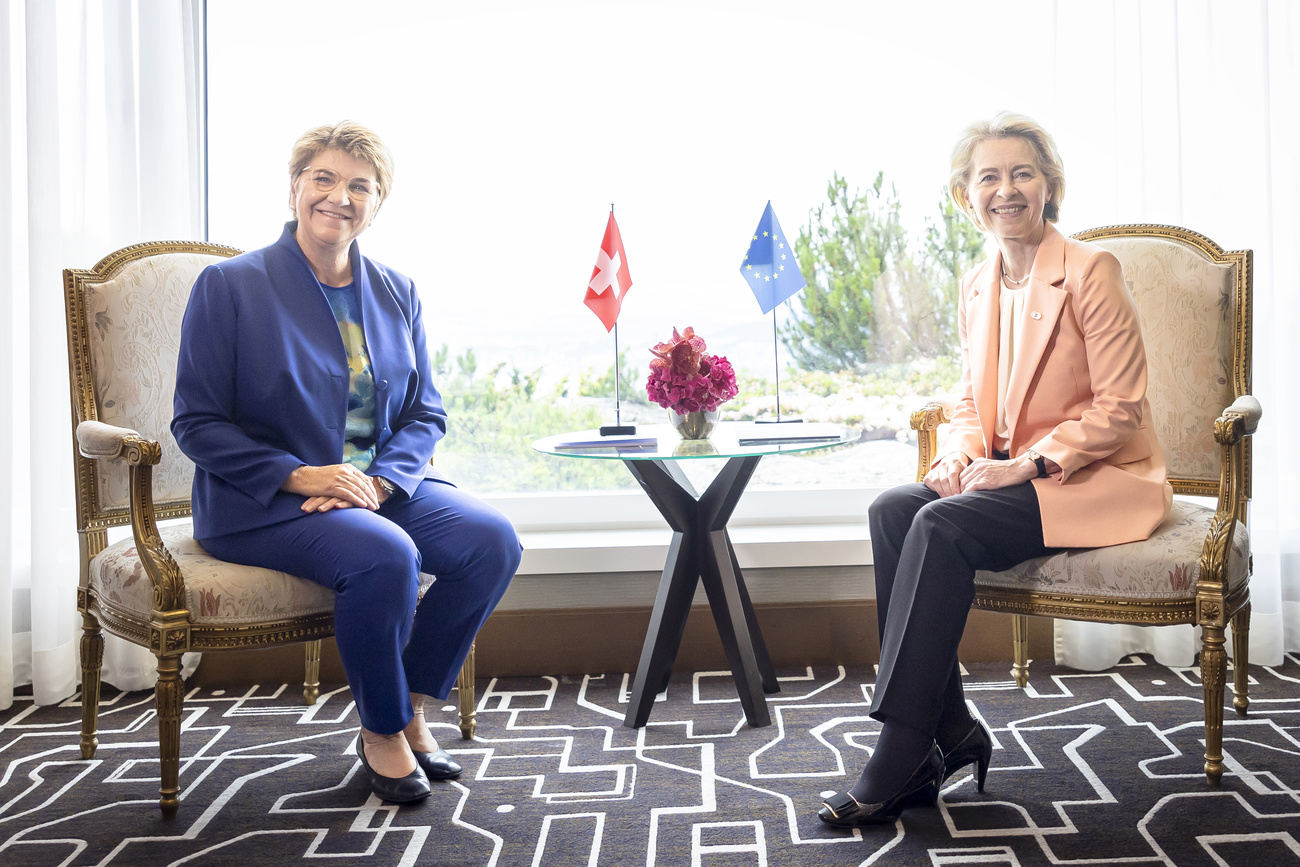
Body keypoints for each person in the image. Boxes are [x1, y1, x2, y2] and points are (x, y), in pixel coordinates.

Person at [818, 112, 1172, 827]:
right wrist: (956, 451)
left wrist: (1030, 464)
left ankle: (905, 746)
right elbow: (970, 400)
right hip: (1009, 471)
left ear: (1051, 187)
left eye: (1022, 173)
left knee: (942, 526)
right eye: (988, 177)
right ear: (963, 195)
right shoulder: (977, 283)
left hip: (1093, 478)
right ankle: (945, 728)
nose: (1005, 189)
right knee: (894, 507)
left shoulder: (1090, 271)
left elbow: (1123, 407)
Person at [173, 121, 521, 804]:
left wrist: (383, 478)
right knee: (385, 555)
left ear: (378, 202)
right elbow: (196, 421)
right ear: (296, 187)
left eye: (360, 185)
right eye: (324, 179)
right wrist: (302, 474)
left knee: (491, 541)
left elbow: (427, 410)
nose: (340, 197)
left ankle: (413, 702)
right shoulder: (231, 285)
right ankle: (382, 730)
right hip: (266, 500)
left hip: (376, 486)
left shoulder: (397, 290)